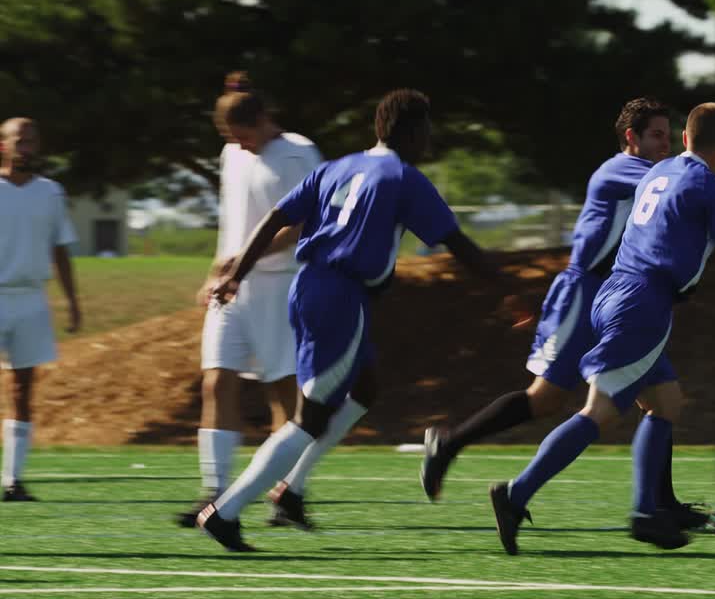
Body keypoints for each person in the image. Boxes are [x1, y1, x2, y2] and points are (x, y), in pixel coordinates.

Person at [420, 97, 715, 531]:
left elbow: (696, 178)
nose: (664, 144)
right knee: (556, 400)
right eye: (655, 135)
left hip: (622, 291)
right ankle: (469, 458)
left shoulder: (670, 170)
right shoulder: (624, 169)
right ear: (631, 138)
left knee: (664, 399)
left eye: (669, 134)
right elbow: (695, 183)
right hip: (589, 289)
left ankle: (657, 504)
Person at [196, 89, 515, 551]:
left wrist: (235, 276)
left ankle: (291, 491)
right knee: (310, 419)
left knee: (365, 390)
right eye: (426, 130)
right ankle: (225, 511)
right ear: (410, 131)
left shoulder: (338, 167)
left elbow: (273, 219)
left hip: (309, 287)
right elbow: (460, 246)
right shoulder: (405, 178)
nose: (429, 139)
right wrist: (511, 291)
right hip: (341, 295)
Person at [176, 72, 323, 529]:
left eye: (244, 137)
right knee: (215, 382)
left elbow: (304, 225)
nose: (239, 147)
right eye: (230, 139)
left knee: (285, 396)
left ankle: (285, 494)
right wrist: (217, 271)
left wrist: (248, 258)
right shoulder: (232, 154)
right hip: (232, 288)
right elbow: (232, 221)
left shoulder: (299, 153)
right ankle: (215, 495)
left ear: (263, 120)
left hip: (281, 287)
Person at [0, 117, 81, 502]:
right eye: (19, 140)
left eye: (31, 141)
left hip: (32, 299)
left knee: (22, 389)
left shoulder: (51, 192)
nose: (25, 147)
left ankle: (12, 481)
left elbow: (61, 249)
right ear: (3, 145)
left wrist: (72, 301)